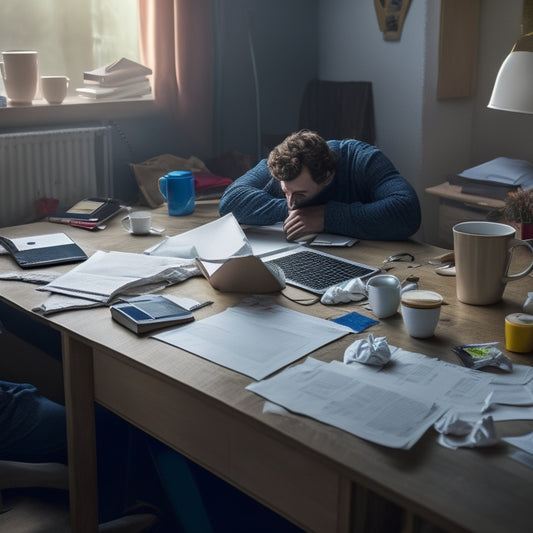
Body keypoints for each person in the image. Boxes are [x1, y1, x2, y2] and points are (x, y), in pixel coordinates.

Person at [218, 130, 421, 242]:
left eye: (300, 194)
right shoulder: (281, 166)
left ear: (326, 176)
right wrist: (290, 212)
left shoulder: (363, 160)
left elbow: (406, 210)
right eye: (285, 192)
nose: (292, 202)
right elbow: (229, 201)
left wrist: (326, 216)